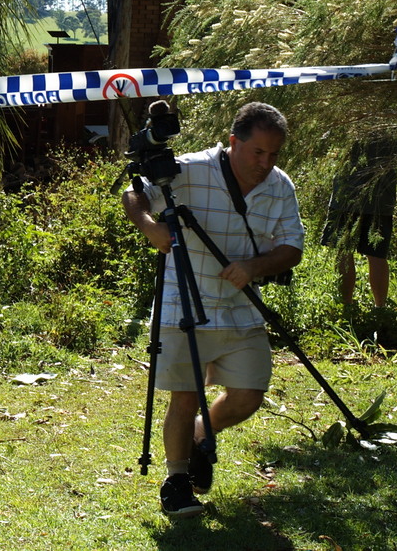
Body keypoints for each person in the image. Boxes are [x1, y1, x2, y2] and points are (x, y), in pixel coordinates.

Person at [121, 102, 304, 519]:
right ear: (233, 141)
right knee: (185, 396)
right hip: (183, 300)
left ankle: (200, 435)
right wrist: (151, 227)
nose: (266, 163)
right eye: (258, 152)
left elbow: (292, 245)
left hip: (241, 308)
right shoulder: (189, 169)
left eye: (274, 154)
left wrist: (256, 267)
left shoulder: (279, 186)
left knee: (248, 396)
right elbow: (133, 193)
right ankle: (176, 481)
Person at [320, 135, 397, 310]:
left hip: (346, 194)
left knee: (344, 250)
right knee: (377, 254)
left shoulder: (351, 111)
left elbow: (332, 145)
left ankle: (346, 305)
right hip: (381, 196)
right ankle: (380, 308)